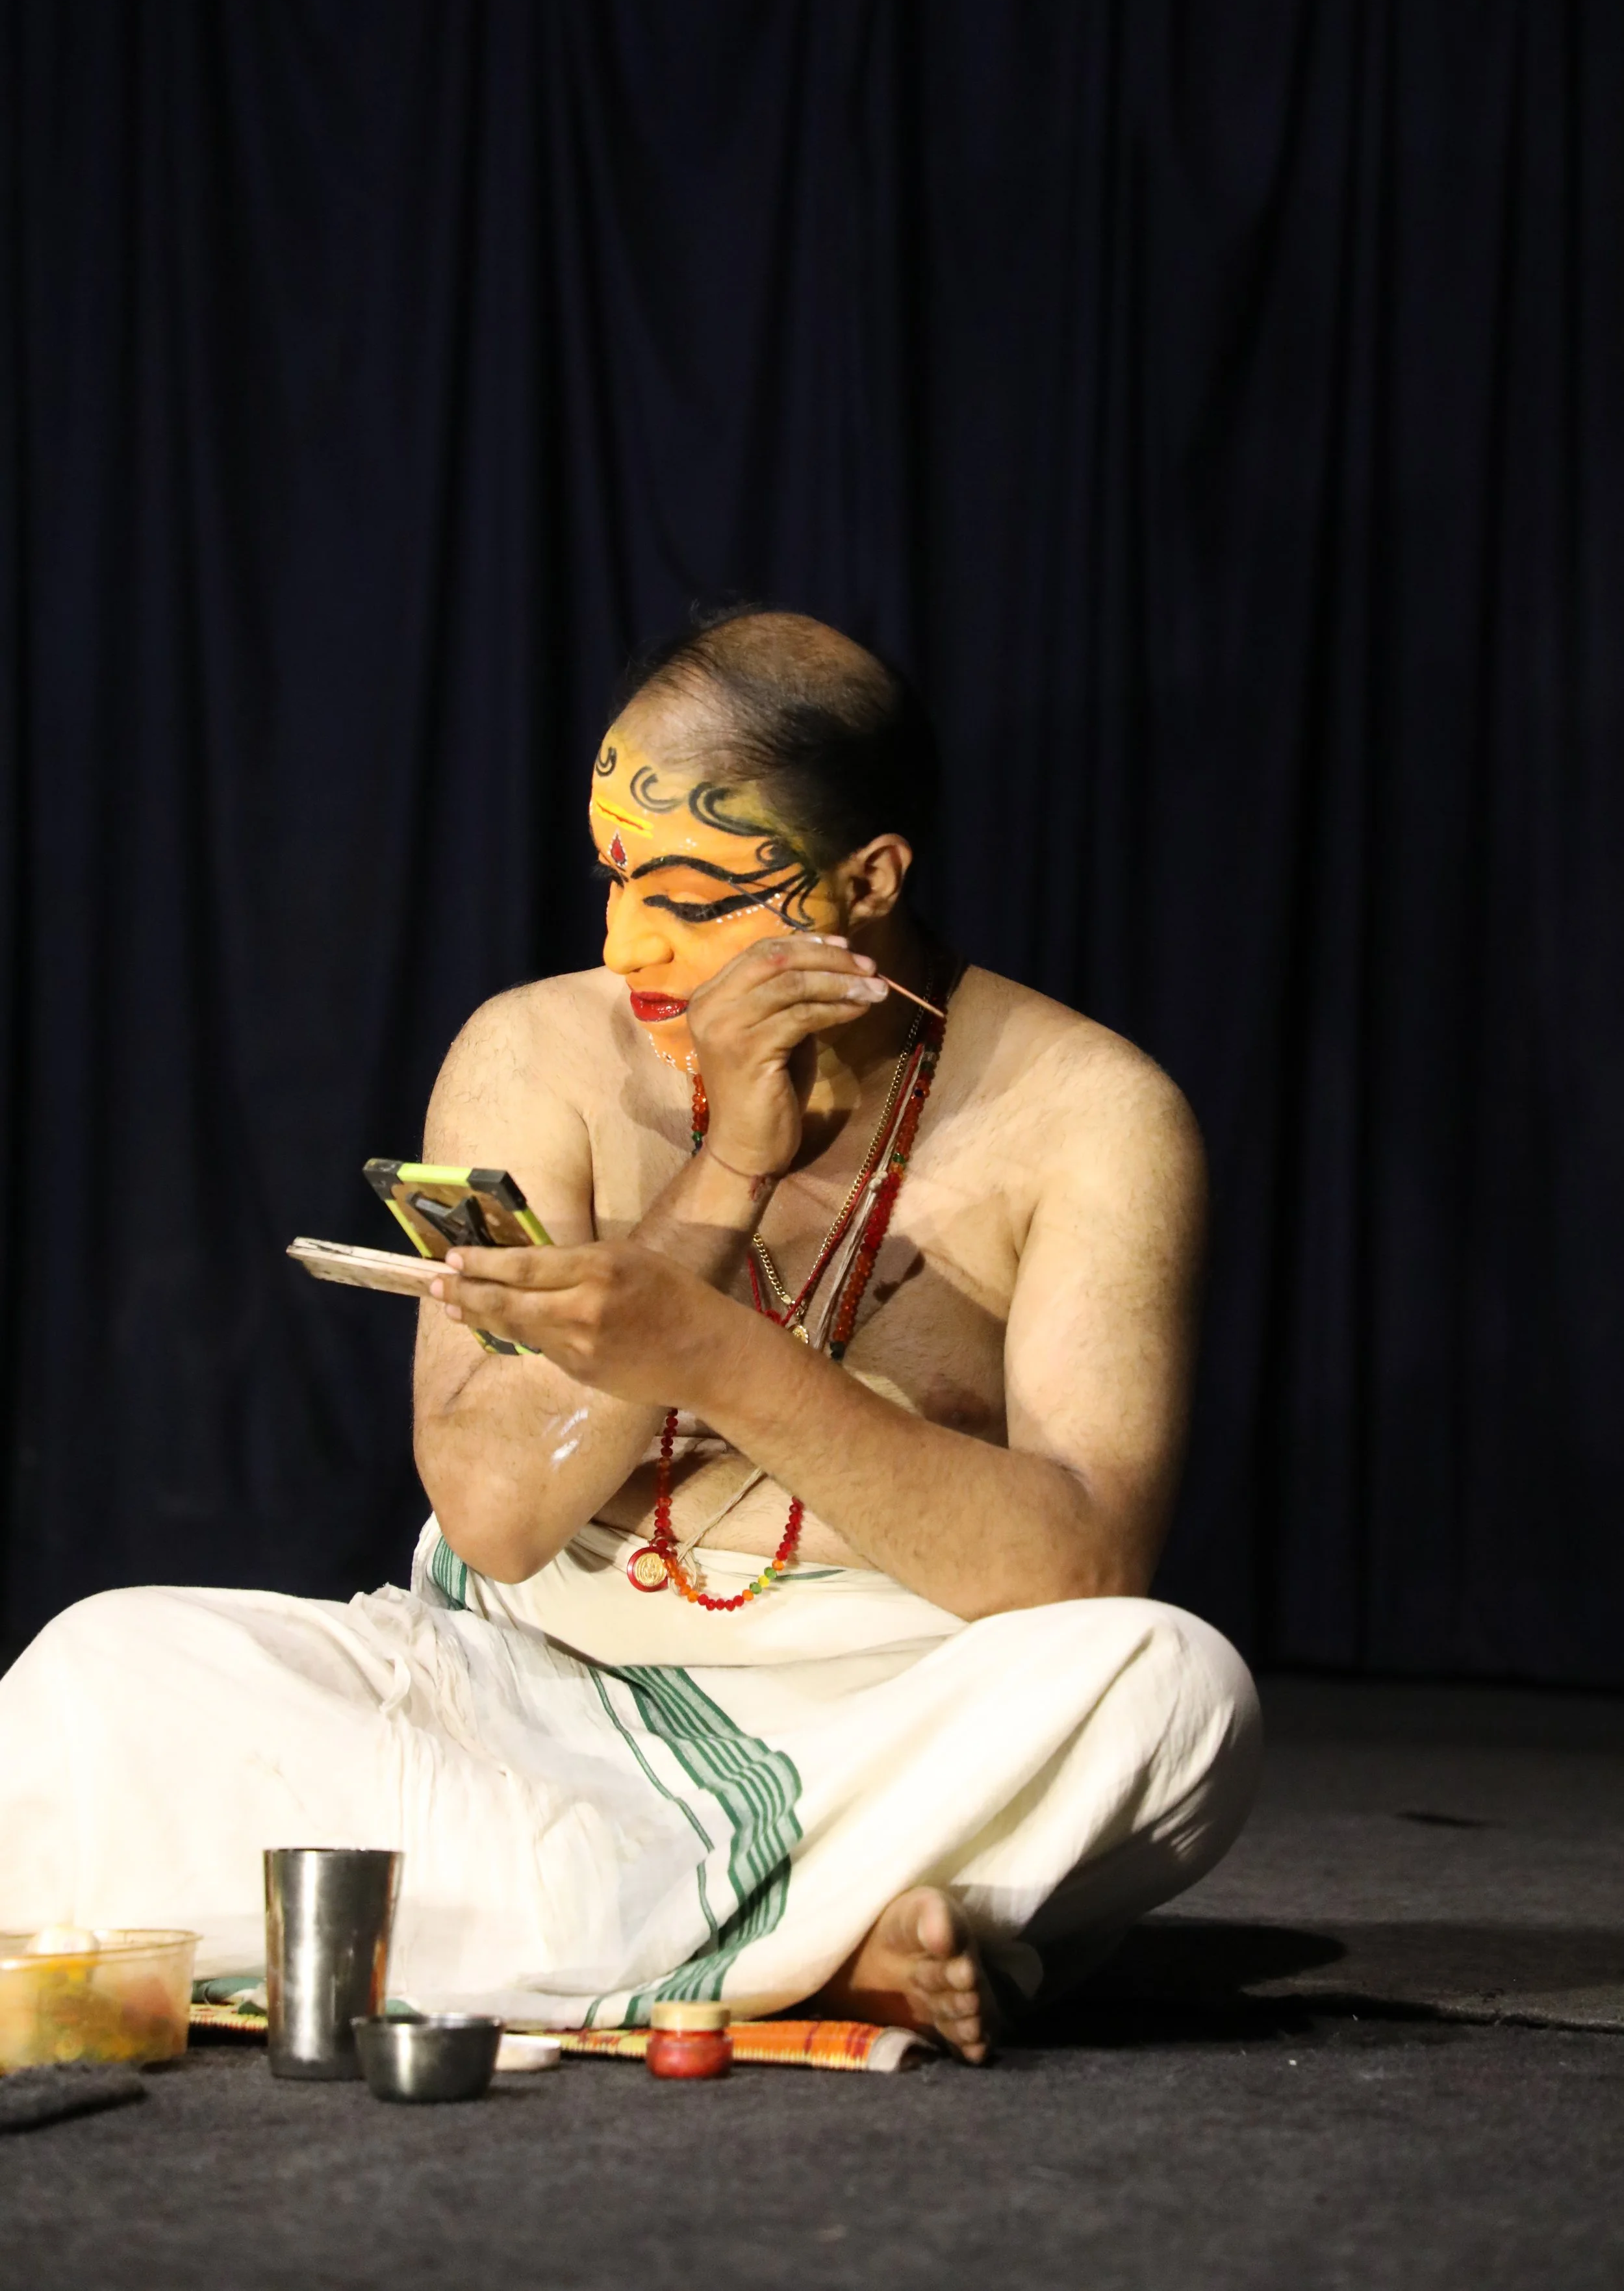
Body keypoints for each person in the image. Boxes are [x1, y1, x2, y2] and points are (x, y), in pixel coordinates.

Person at [0, 606, 1258, 2062]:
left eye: (695, 896)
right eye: (612, 878)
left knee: (1172, 1693)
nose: (625, 943)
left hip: (889, 1720)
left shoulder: (1090, 1117)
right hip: (527, 1693)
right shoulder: (534, 1050)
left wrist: (714, 1355)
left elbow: (1080, 1568)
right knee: (100, 1675)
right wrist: (721, 1183)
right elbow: (496, 1515)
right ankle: (811, 1944)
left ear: (868, 880)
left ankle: (649, 1930)